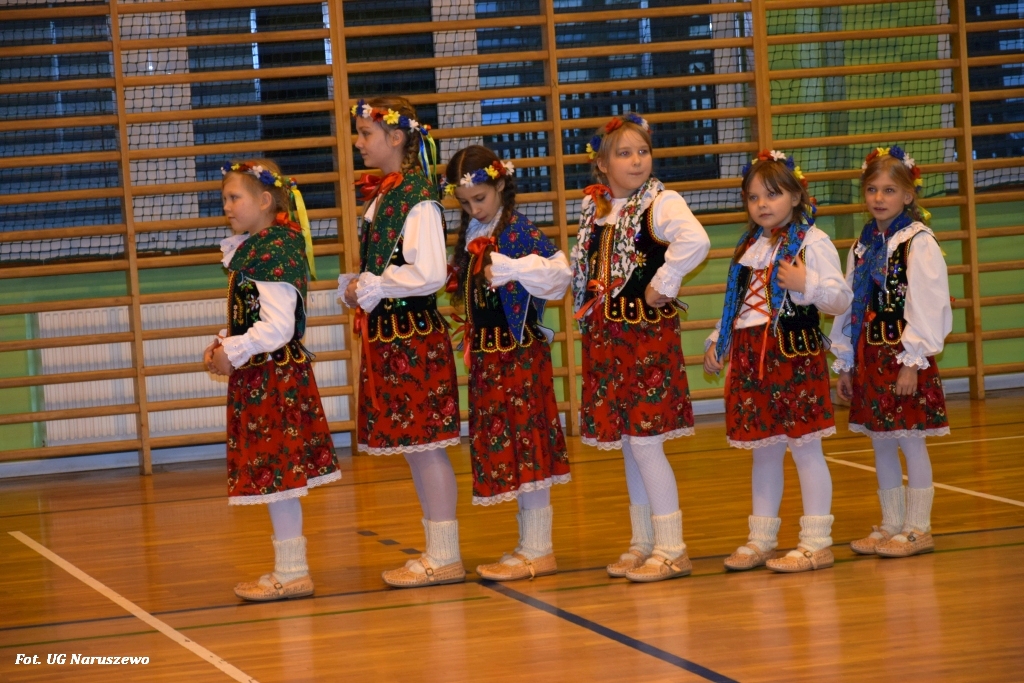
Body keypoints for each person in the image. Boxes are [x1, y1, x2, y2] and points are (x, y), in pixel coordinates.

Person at [569, 113, 710, 582]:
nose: (636, 161)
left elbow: (696, 240)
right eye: (624, 153)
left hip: (646, 338)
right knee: (630, 443)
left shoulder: (662, 202)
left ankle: (672, 547)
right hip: (608, 340)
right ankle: (643, 541)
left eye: (642, 151)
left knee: (646, 442)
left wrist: (665, 281)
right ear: (602, 165)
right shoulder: (595, 208)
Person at [704, 150, 852, 573]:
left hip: (792, 354)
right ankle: (762, 539)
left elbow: (841, 298)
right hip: (751, 357)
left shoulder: (812, 241)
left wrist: (807, 283)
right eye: (753, 197)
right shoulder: (749, 245)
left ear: (796, 196)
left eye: (772, 194)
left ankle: (816, 541)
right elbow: (739, 304)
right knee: (764, 451)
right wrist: (719, 339)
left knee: (806, 448)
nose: (762, 204)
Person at [338, 97, 463, 587]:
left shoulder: (417, 197)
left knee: (426, 447)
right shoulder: (387, 194)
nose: (358, 142)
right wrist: (359, 284)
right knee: (416, 447)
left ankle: (445, 556)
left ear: (395, 137)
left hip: (414, 340)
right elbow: (388, 268)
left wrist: (374, 285)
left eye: (365, 133)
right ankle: (438, 551)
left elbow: (429, 273)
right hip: (392, 340)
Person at [205, 159, 340, 601]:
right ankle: (290, 568)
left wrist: (235, 350)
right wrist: (225, 343)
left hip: (274, 376)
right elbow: (256, 317)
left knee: (280, 475)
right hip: (263, 373)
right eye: (224, 198)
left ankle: (294, 571)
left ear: (265, 200)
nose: (226, 206)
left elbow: (280, 326)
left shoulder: (275, 248)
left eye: (234, 197)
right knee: (276, 475)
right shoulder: (259, 246)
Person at [442, 145, 572, 581]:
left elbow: (560, 275)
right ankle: (527, 544)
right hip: (489, 357)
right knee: (511, 448)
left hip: (518, 355)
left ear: (500, 185)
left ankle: (540, 548)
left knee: (527, 443)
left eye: (480, 198)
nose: (473, 209)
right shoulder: (474, 233)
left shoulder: (518, 231)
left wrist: (515, 269)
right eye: (465, 203)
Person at [831, 146, 950, 558]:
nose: (879, 198)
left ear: (907, 195)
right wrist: (846, 362)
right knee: (880, 441)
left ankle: (918, 527)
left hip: (902, 357)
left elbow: (928, 303)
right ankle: (891, 523)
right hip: (871, 356)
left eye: (889, 190)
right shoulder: (863, 244)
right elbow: (851, 304)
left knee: (910, 440)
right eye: (872, 189)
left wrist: (912, 361)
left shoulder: (918, 242)